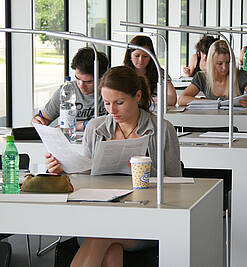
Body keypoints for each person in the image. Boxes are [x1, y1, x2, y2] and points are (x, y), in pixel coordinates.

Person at [46, 66, 182, 267]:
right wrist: (62, 169)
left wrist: (146, 173)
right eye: (107, 103)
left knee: (102, 235)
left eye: (119, 103)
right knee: (110, 248)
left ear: (137, 96)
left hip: (147, 220)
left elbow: (178, 185)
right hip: (101, 213)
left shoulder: (162, 129)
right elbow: (83, 174)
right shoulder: (95, 128)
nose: (112, 110)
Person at [31, 47, 109, 130]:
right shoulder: (67, 91)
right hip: (71, 141)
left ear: (102, 77)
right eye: (77, 78)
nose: (81, 85)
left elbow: (118, 125)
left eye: (88, 82)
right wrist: (37, 120)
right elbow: (45, 118)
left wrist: (82, 125)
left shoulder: (111, 92)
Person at [179, 40, 247, 109]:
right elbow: (182, 100)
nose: (224, 67)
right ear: (211, 63)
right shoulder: (202, 77)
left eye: (228, 62)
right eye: (220, 63)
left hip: (237, 123)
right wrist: (208, 102)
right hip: (209, 122)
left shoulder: (241, 76)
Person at [123, 35, 177, 106]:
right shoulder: (122, 73)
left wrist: (143, 101)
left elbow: (172, 99)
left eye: (145, 56)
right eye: (137, 56)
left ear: (151, 57)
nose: (141, 60)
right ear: (130, 55)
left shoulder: (159, 72)